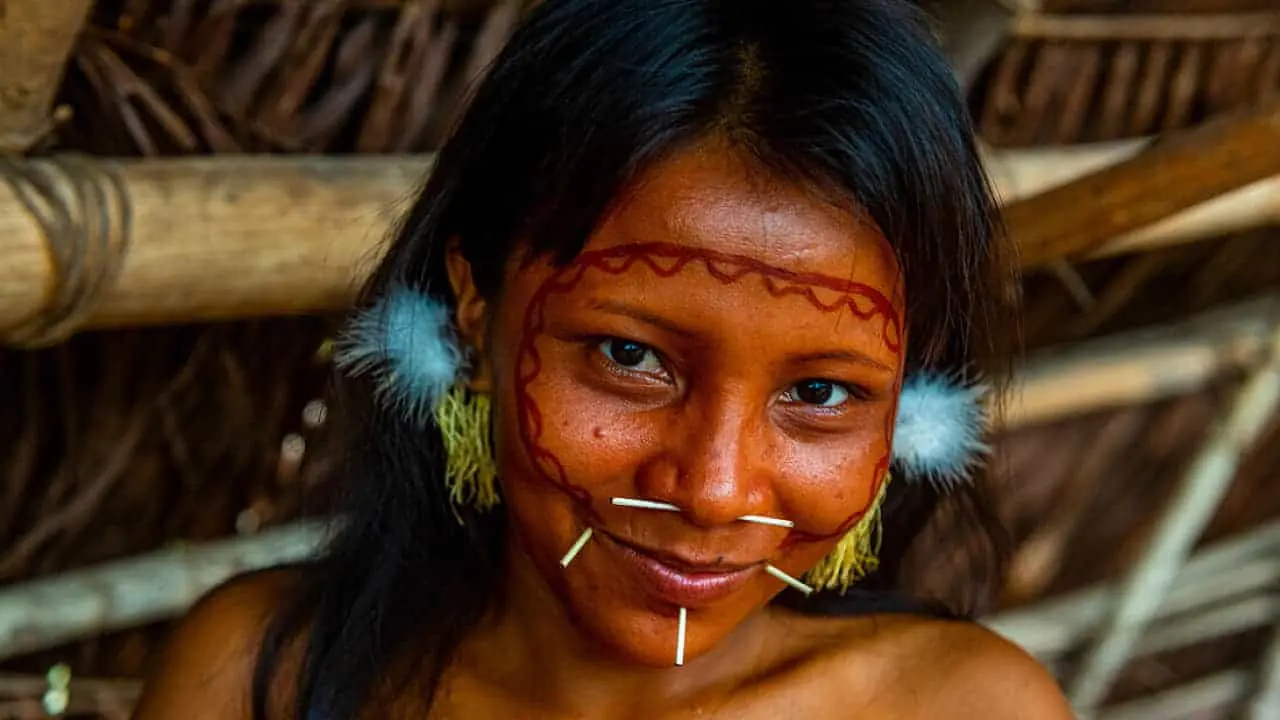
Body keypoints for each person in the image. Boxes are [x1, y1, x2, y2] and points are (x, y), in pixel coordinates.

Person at [132, 0, 1075, 717]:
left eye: (822, 392)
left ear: (908, 410)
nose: (711, 489)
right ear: (475, 310)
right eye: (631, 356)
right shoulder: (260, 679)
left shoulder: (970, 707)